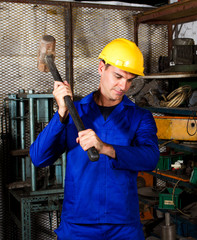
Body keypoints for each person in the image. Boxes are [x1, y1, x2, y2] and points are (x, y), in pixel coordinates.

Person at [30, 38, 159, 240]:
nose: (123, 86)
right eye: (118, 76)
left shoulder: (139, 116)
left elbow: (150, 158)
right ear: (101, 68)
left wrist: (106, 148)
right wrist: (61, 113)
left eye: (130, 79)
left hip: (123, 224)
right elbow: (39, 157)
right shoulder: (75, 113)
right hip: (78, 224)